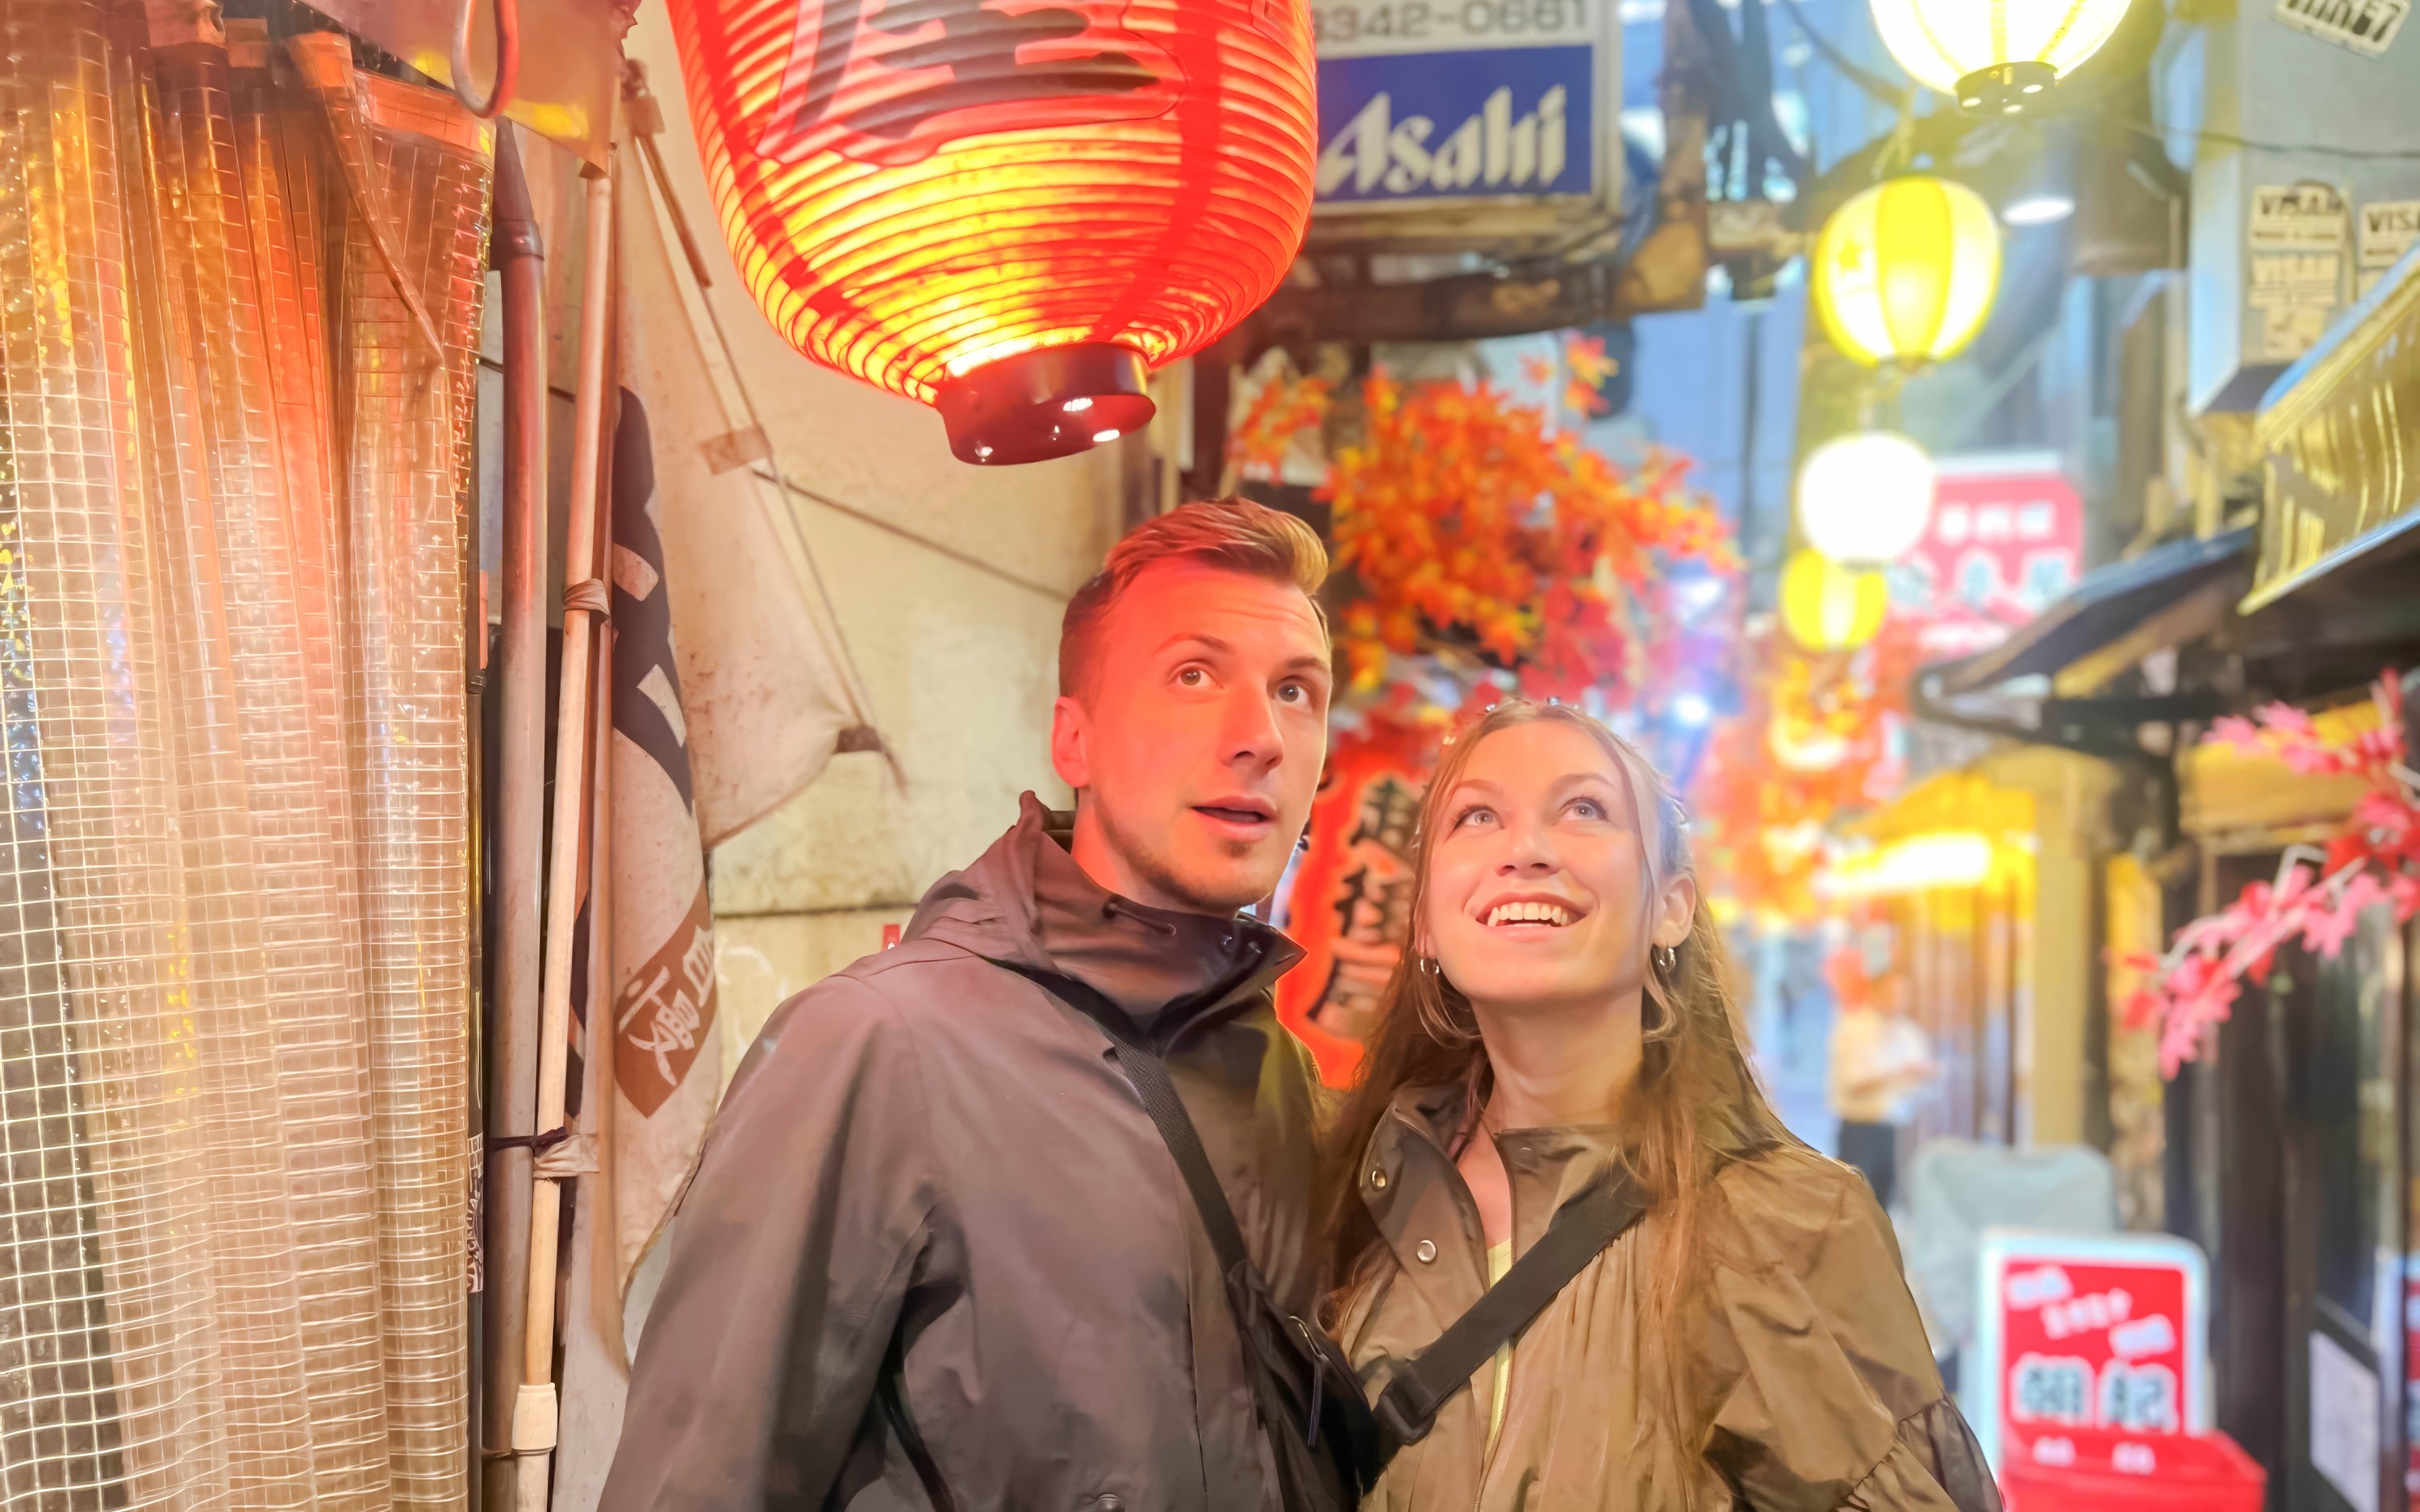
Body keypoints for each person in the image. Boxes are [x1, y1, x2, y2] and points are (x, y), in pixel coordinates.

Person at [599, 500, 1336, 1512]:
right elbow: (701, 1483)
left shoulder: (1277, 1074)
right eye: (1193, 675)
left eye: (1296, 691)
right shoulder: (875, 1046)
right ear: (1073, 740)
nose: (1260, 736)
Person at [1319, 701, 1997, 1511]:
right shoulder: (1350, 1189)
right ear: (1426, 922)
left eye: (1584, 809)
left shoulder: (1788, 1226)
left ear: (1670, 906)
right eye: (1477, 816)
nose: (1525, 850)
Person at [1826, 968, 1937, 1211]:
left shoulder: (1911, 1034)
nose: (1897, 1000)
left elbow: (1923, 1091)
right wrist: (1898, 1074)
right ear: (1875, 993)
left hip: (1898, 1131)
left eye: (1904, 994)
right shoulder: (1853, 1029)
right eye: (1892, 993)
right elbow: (1852, 1084)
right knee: (1856, 1205)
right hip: (1860, 1129)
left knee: (1888, 1205)